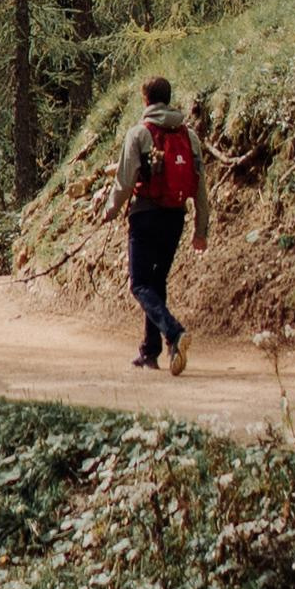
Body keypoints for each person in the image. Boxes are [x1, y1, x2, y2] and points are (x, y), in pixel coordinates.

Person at [115, 72, 210, 374]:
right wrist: (200, 229)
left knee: (140, 284)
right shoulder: (189, 136)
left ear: (146, 100)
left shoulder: (139, 133)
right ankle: (151, 351)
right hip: (175, 216)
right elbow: (200, 187)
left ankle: (174, 333)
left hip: (145, 216)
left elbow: (125, 180)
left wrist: (109, 209)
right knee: (156, 283)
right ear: (168, 99)